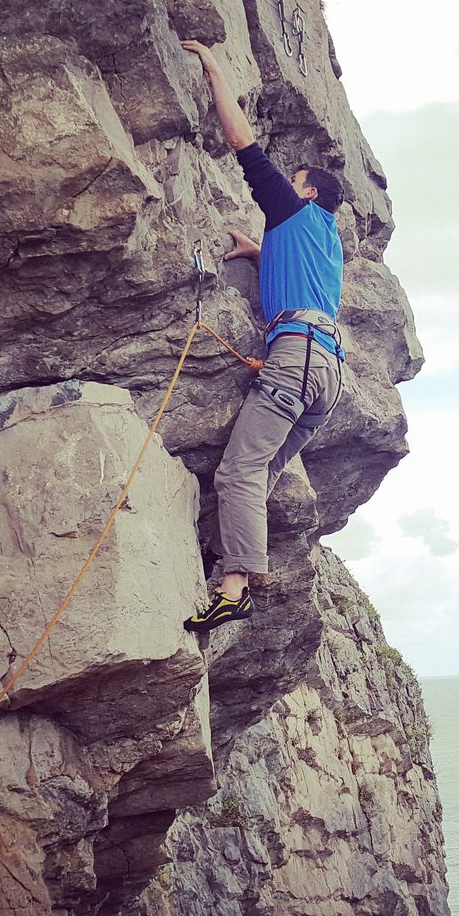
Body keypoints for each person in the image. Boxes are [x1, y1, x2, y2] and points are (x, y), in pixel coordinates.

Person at [180, 39, 346, 634]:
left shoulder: (295, 214)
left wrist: (215, 69)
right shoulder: (325, 241)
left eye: (294, 180)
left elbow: (243, 146)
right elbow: (304, 287)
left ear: (305, 193)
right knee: (264, 472)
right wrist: (257, 253)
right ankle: (235, 569)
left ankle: (234, 587)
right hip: (325, 373)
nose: (286, 184)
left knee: (238, 473)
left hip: (297, 359)